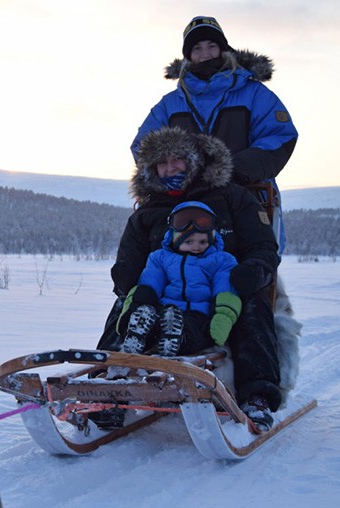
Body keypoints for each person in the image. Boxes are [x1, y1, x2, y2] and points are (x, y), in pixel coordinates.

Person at [97, 127, 280, 431]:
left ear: (194, 161)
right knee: (125, 309)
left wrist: (253, 270)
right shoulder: (148, 210)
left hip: (222, 289)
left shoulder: (233, 196)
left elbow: (263, 246)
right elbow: (129, 258)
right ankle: (104, 388)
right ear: (152, 170)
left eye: (177, 160)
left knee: (253, 307)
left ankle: (257, 397)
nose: (170, 168)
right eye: (162, 163)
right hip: (164, 295)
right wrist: (128, 282)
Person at [131, 16, 297, 255]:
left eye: (211, 45)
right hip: (181, 197)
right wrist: (174, 175)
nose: (205, 53)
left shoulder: (254, 94)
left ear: (223, 48)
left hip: (245, 193)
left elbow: (279, 135)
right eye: (196, 48)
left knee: (253, 255)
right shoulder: (170, 104)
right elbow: (143, 145)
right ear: (188, 56)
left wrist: (232, 169)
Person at [117, 201, 241, 359]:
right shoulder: (160, 258)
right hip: (165, 311)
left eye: (202, 242)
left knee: (196, 332)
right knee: (155, 319)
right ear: (175, 239)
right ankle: (140, 335)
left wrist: (222, 318)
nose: (196, 247)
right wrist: (133, 309)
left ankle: (176, 338)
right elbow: (149, 284)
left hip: (199, 313)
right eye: (188, 242)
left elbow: (225, 291)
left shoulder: (221, 260)